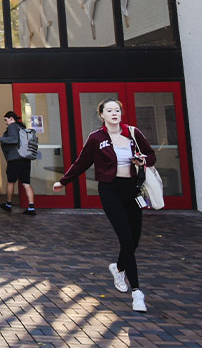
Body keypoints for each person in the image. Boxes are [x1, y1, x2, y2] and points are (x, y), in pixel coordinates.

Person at [53, 98, 156, 313]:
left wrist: (141, 160)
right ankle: (137, 292)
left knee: (134, 241)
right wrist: (63, 181)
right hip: (110, 191)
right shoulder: (97, 138)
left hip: (133, 190)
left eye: (117, 110)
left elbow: (151, 156)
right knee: (126, 239)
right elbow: (82, 162)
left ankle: (118, 268)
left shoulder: (133, 133)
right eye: (109, 110)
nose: (114, 113)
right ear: (102, 115)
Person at [0, 111, 36, 215]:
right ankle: (31, 207)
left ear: (11, 118)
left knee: (11, 182)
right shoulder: (21, 127)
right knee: (26, 183)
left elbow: (14, 140)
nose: (6, 122)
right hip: (25, 159)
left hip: (15, 159)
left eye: (6, 120)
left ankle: (8, 204)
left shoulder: (13, 126)